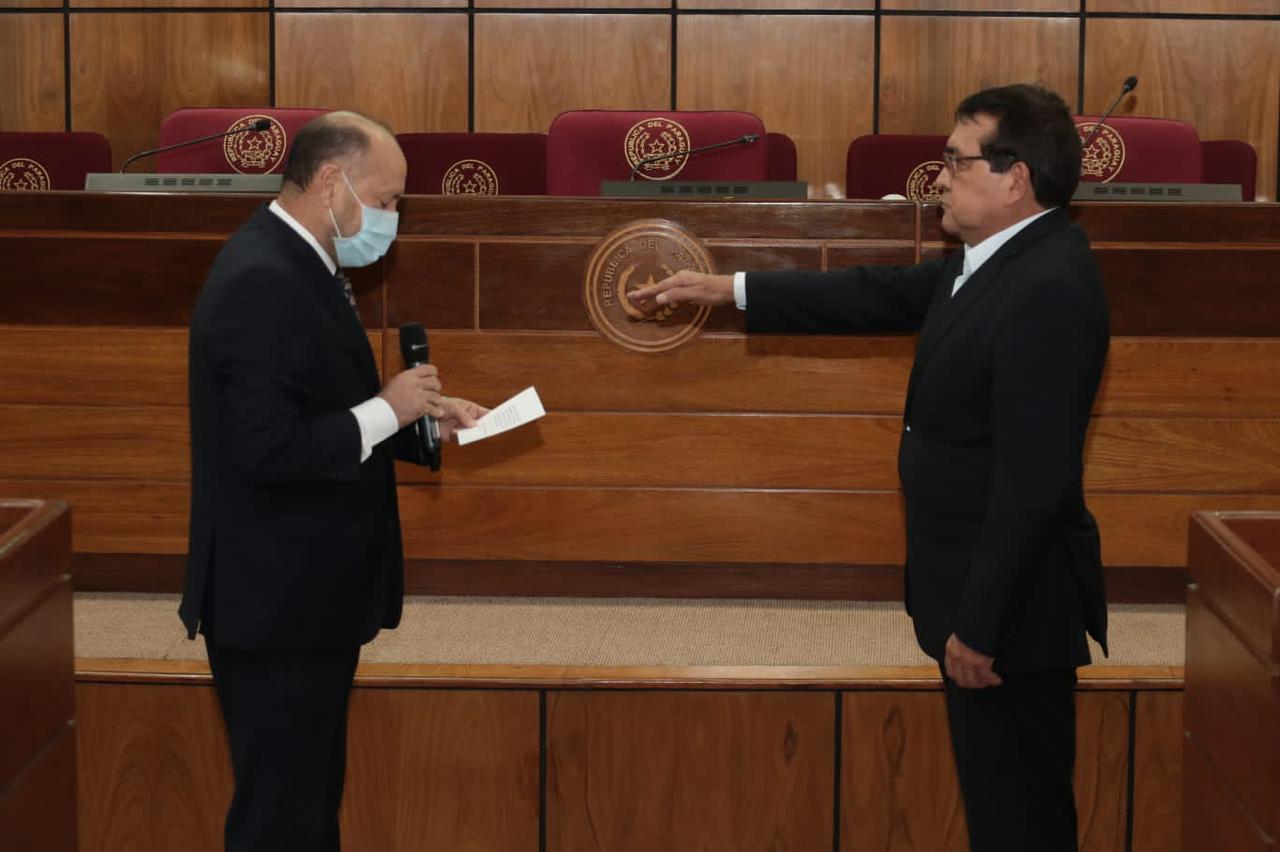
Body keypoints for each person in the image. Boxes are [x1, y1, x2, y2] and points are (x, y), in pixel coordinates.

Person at [630, 84, 1109, 851]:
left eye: (956, 161)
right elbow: (871, 293)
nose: (940, 177)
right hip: (982, 602)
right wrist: (727, 288)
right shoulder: (997, 262)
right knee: (1003, 815)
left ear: (1015, 176)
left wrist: (982, 628)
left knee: (1023, 822)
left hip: (1012, 620)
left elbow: (1033, 484)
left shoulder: (1047, 285)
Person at [180, 111, 486, 851]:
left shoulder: (302, 263)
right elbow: (268, 448)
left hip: (306, 598)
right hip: (276, 603)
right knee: (280, 815)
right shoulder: (262, 278)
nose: (390, 221)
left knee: (308, 803)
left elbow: (319, 410)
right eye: (384, 202)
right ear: (329, 182)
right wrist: (386, 406)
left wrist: (415, 425)